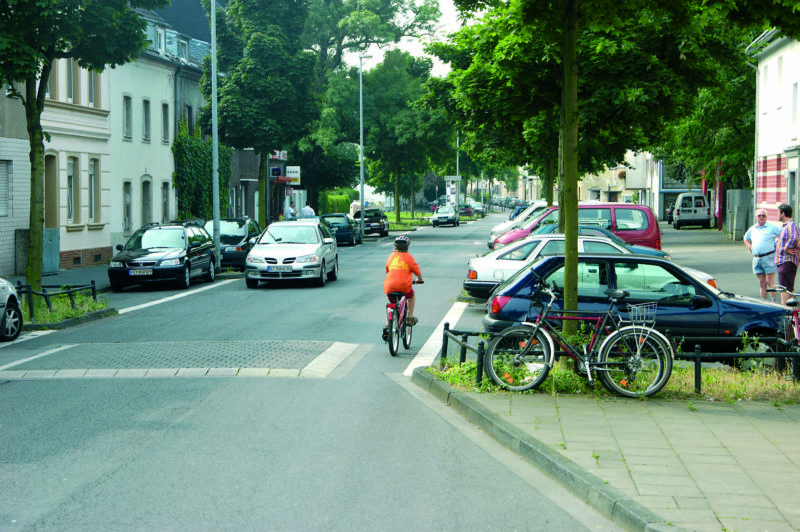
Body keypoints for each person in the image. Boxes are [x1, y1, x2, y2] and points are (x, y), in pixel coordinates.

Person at [383, 235, 423, 341]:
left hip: (389, 286)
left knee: (391, 305)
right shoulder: (408, 257)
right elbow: (417, 271)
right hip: (404, 286)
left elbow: (387, 269)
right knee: (411, 295)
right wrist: (419, 279)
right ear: (407, 247)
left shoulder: (391, 256)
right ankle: (409, 318)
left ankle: (388, 325)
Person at [743, 208, 781, 301]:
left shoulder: (772, 227)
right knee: (762, 283)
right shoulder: (753, 228)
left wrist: (779, 244)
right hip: (756, 259)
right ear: (756, 217)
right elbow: (745, 238)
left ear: (766, 217)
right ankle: (764, 303)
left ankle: (774, 302)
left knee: (769, 282)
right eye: (759, 215)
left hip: (769, 257)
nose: (761, 217)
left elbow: (783, 234)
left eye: (763, 215)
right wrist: (749, 246)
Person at [775, 203, 799, 305]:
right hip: (783, 261)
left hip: (787, 261)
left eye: (778, 213)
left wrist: (786, 248)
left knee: (784, 288)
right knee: (787, 287)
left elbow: (793, 237)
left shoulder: (791, 224)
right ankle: (791, 310)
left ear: (783, 213)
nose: (777, 215)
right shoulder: (786, 226)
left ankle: (785, 309)